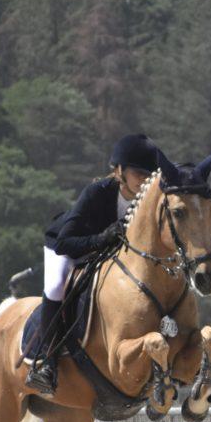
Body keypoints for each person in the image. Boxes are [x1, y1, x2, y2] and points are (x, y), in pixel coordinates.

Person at [26, 134, 159, 395]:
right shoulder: (97, 193)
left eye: (149, 174)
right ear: (119, 170)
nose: (145, 179)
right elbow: (66, 242)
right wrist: (101, 238)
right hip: (67, 246)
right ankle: (45, 363)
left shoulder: (147, 201)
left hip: (106, 255)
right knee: (56, 286)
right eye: (138, 173)